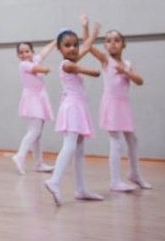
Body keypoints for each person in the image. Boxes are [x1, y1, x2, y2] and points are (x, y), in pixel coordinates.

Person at [43, 19, 103, 206]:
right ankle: (54, 180)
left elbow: (87, 46)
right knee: (69, 145)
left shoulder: (73, 60)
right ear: (59, 49)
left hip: (77, 106)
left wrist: (89, 30)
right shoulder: (67, 65)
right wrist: (95, 69)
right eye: (67, 46)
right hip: (72, 107)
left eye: (74, 45)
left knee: (78, 148)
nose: (72, 49)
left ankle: (81, 188)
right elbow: (94, 72)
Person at [86, 24, 152, 191]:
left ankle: (134, 174)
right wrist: (86, 28)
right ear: (105, 46)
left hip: (124, 105)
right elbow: (87, 46)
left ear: (124, 44)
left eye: (116, 40)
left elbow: (140, 81)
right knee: (116, 142)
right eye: (108, 41)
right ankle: (115, 181)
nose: (112, 43)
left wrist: (126, 72)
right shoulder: (106, 60)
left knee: (133, 140)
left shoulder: (127, 63)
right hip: (111, 104)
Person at [11, 38, 58, 175]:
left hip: (39, 98)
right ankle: (20, 156)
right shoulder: (24, 65)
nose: (25, 54)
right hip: (32, 99)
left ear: (32, 52)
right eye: (21, 52)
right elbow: (37, 69)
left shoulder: (35, 59)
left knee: (37, 134)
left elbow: (44, 52)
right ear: (18, 55)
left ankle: (38, 163)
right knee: (34, 131)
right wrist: (48, 68)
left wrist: (56, 41)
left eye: (27, 51)